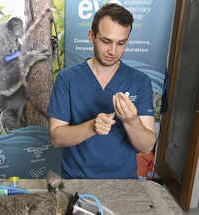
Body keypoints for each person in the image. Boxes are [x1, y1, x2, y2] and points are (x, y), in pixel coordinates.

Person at [47, 3, 156, 179]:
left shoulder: (140, 81)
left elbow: (146, 147)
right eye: (106, 41)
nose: (113, 51)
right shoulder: (67, 79)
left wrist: (132, 121)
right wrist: (92, 127)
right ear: (92, 36)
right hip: (77, 181)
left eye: (121, 43)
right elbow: (57, 137)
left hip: (123, 184)